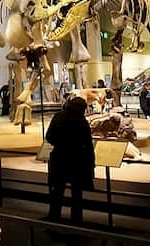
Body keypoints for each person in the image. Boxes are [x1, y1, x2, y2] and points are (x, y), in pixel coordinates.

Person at [45, 96, 95, 224]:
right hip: (77, 161)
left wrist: (61, 144)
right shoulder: (82, 121)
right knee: (76, 194)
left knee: (57, 192)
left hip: (59, 159)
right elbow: (88, 144)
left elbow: (49, 136)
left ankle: (54, 219)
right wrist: (90, 164)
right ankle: (76, 222)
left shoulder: (58, 116)